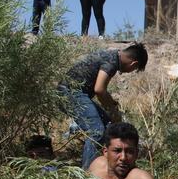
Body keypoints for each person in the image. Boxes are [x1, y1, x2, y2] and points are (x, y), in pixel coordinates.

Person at [58, 42, 148, 170]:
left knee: (108, 125)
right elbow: (99, 89)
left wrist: (111, 105)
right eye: (132, 70)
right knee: (97, 132)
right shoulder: (111, 62)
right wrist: (112, 107)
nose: (128, 72)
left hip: (73, 92)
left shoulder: (112, 56)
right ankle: (89, 173)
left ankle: (106, 165)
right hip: (69, 93)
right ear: (133, 64)